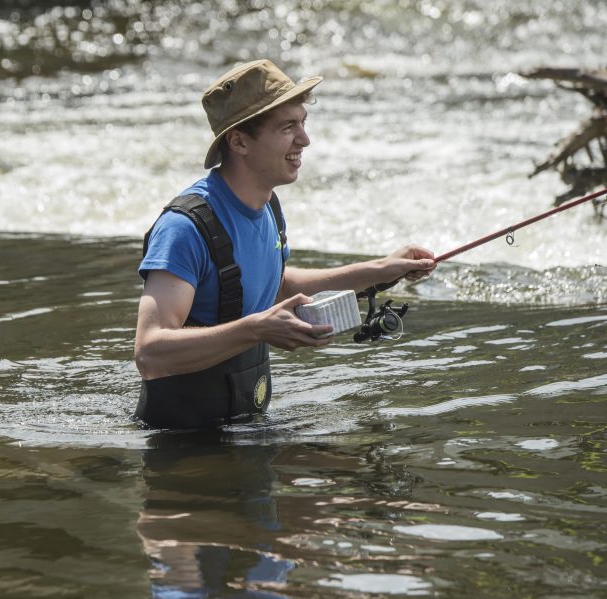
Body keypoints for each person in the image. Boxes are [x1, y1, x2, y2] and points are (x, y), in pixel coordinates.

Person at [134, 59, 435, 429]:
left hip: (245, 429)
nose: (304, 139)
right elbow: (149, 352)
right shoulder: (184, 228)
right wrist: (257, 329)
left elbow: (272, 284)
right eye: (287, 127)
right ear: (239, 140)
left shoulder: (268, 206)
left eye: (303, 123)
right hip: (182, 451)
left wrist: (377, 271)